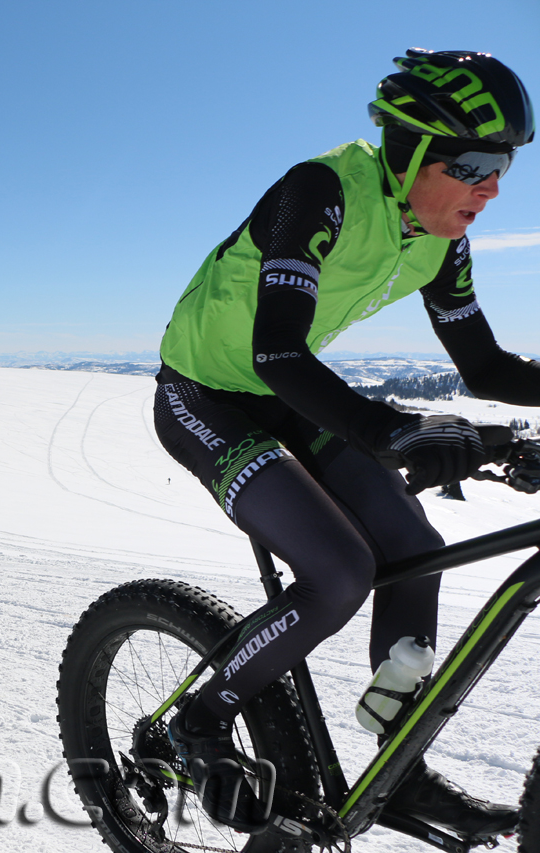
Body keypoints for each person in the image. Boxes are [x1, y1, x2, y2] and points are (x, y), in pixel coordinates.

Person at [155, 49, 534, 836]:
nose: (492, 186)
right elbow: (277, 353)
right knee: (338, 570)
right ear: (410, 151)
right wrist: (395, 429)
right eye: (472, 165)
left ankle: (398, 769)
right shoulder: (321, 191)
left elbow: (487, 363)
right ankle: (198, 718)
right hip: (206, 395)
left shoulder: (439, 236)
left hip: (290, 397)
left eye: (503, 165)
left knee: (411, 544)